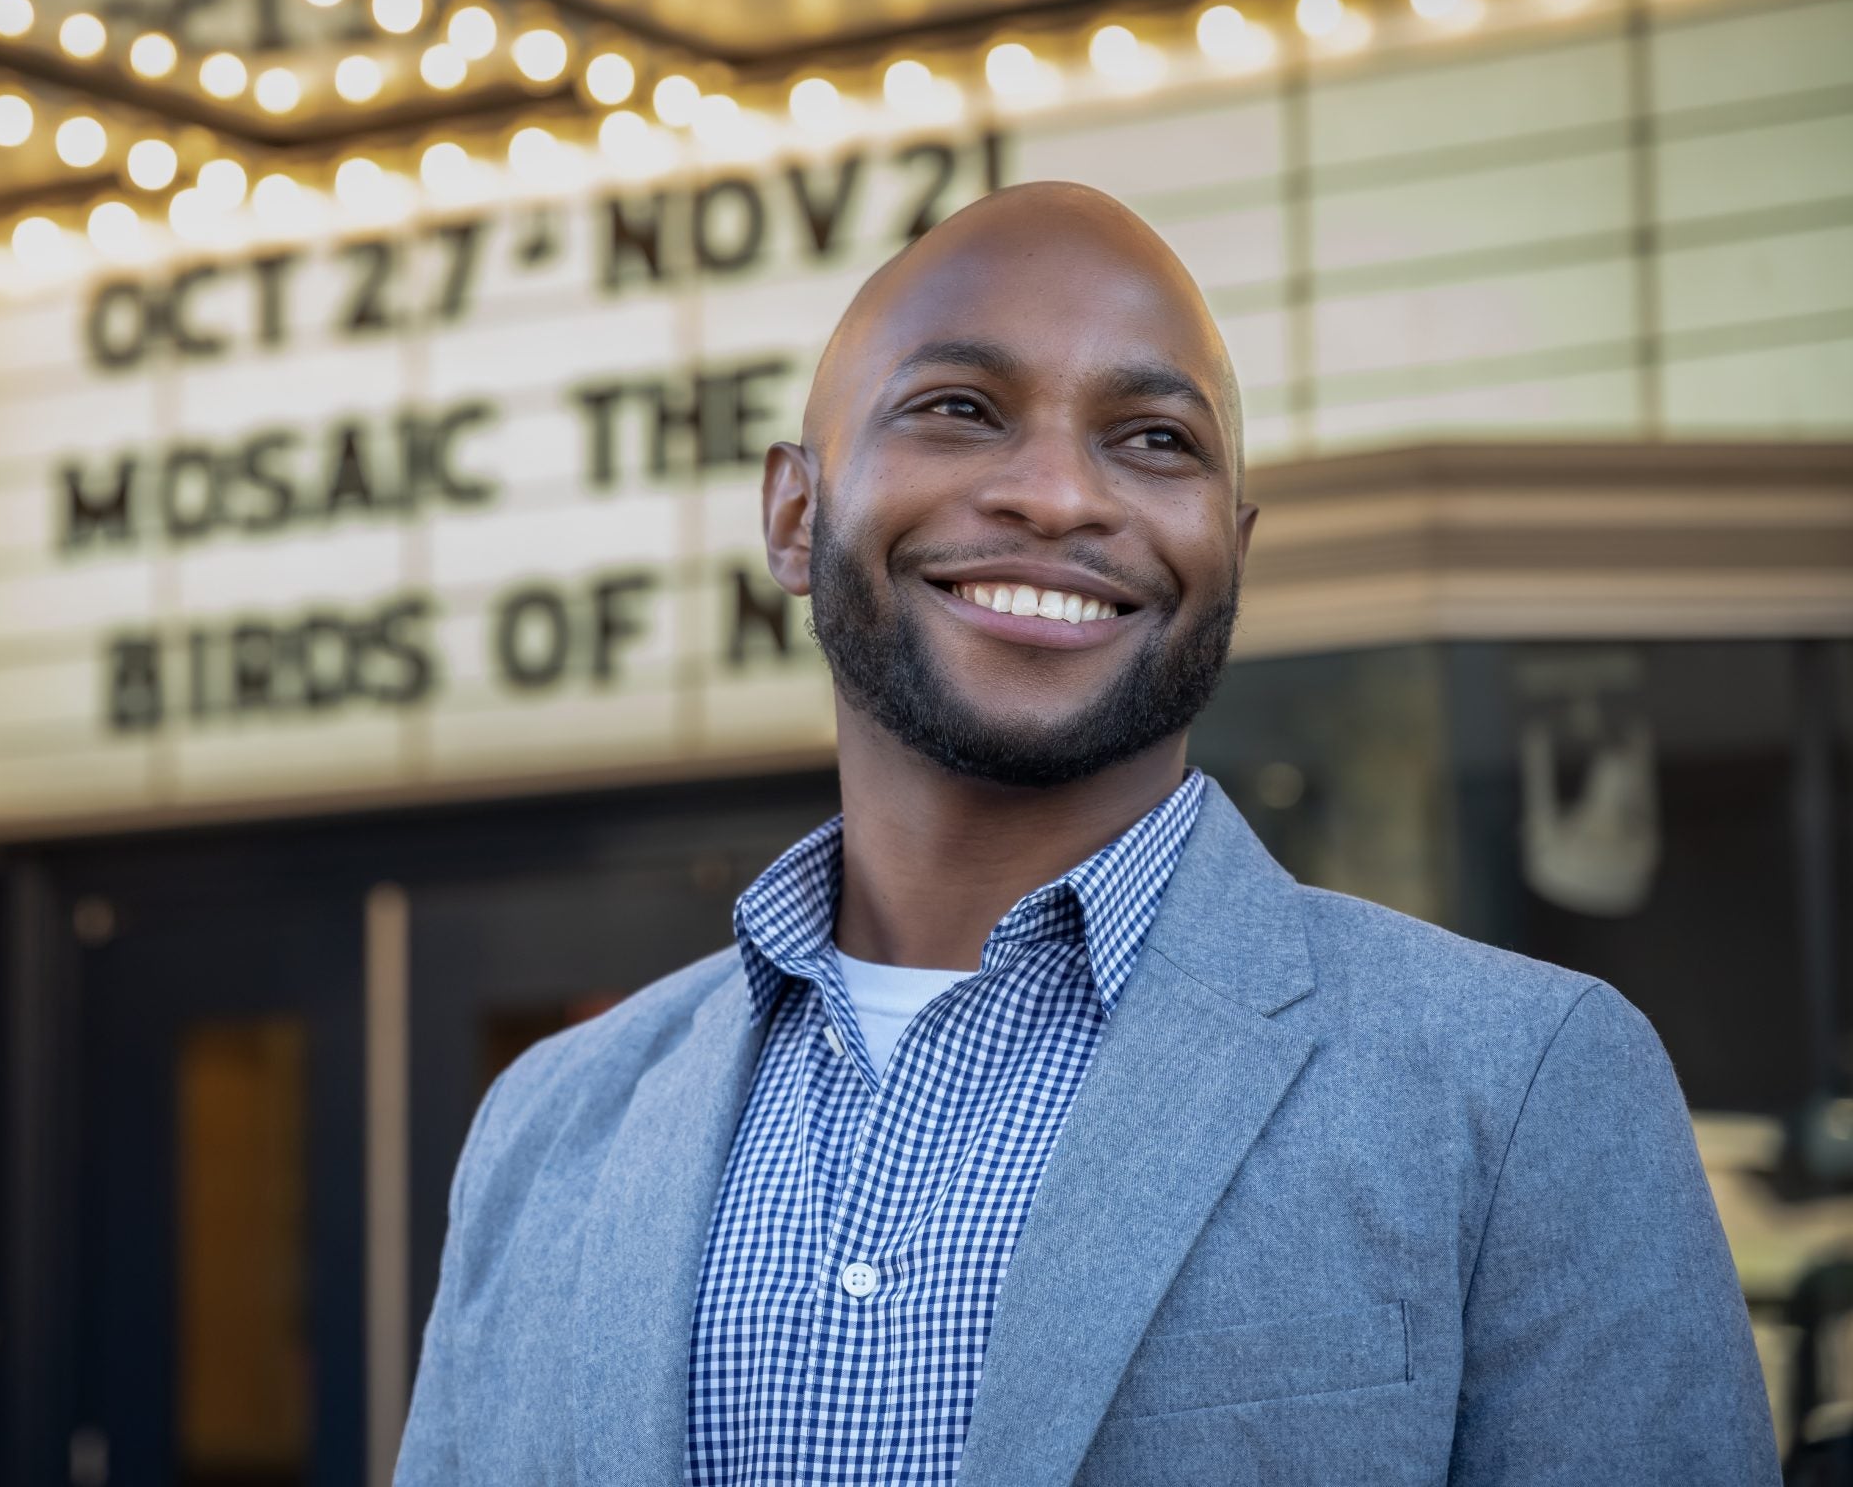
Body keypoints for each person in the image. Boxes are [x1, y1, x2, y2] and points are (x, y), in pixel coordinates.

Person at [393, 182, 1777, 1486]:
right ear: (795, 513)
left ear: (1231, 547)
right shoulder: (549, 1123)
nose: (1058, 495)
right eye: (958, 408)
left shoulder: (1521, 1088)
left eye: (1154, 439)